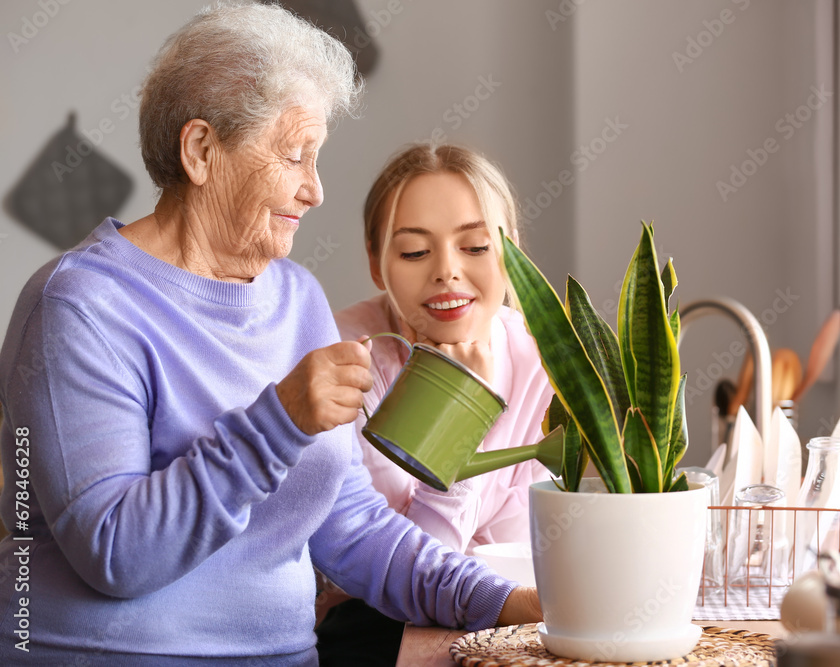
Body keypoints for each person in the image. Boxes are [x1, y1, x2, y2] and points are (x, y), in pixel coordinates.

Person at [0, 4, 539, 665]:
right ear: (201, 150)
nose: (314, 190)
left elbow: (354, 530)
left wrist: (510, 601)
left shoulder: (297, 300)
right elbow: (116, 553)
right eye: (294, 156)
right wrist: (279, 419)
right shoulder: (77, 305)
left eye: (318, 159)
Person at [314, 144, 555, 665]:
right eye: (415, 252)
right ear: (377, 264)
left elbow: (514, 554)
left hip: (494, 620)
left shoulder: (540, 362)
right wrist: (461, 413)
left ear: (511, 253)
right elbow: (400, 573)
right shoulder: (347, 357)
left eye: (474, 246)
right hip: (366, 628)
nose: (447, 272)